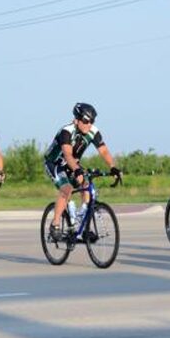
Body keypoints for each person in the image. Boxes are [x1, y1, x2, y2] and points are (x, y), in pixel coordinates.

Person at [43, 103, 121, 241]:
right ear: (77, 120)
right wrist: (77, 169)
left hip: (72, 164)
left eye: (92, 121)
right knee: (66, 189)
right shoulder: (66, 131)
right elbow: (67, 154)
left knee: (87, 187)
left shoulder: (93, 131)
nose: (89, 124)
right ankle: (55, 225)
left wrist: (113, 167)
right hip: (54, 163)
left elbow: (103, 150)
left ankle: (82, 227)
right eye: (85, 121)